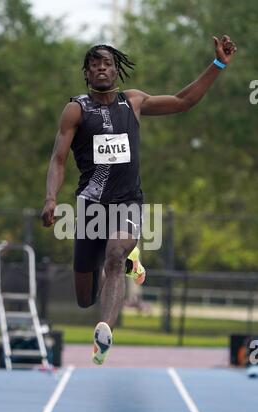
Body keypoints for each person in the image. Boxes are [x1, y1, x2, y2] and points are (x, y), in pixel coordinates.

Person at [41, 35, 237, 365]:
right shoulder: (76, 109)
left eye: (107, 63)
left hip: (127, 202)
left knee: (114, 256)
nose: (101, 68)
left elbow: (183, 101)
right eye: (94, 64)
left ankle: (105, 330)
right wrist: (50, 198)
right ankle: (132, 264)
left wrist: (218, 64)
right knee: (84, 297)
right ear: (86, 74)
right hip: (90, 206)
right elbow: (58, 159)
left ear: (117, 71)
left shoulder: (132, 102)